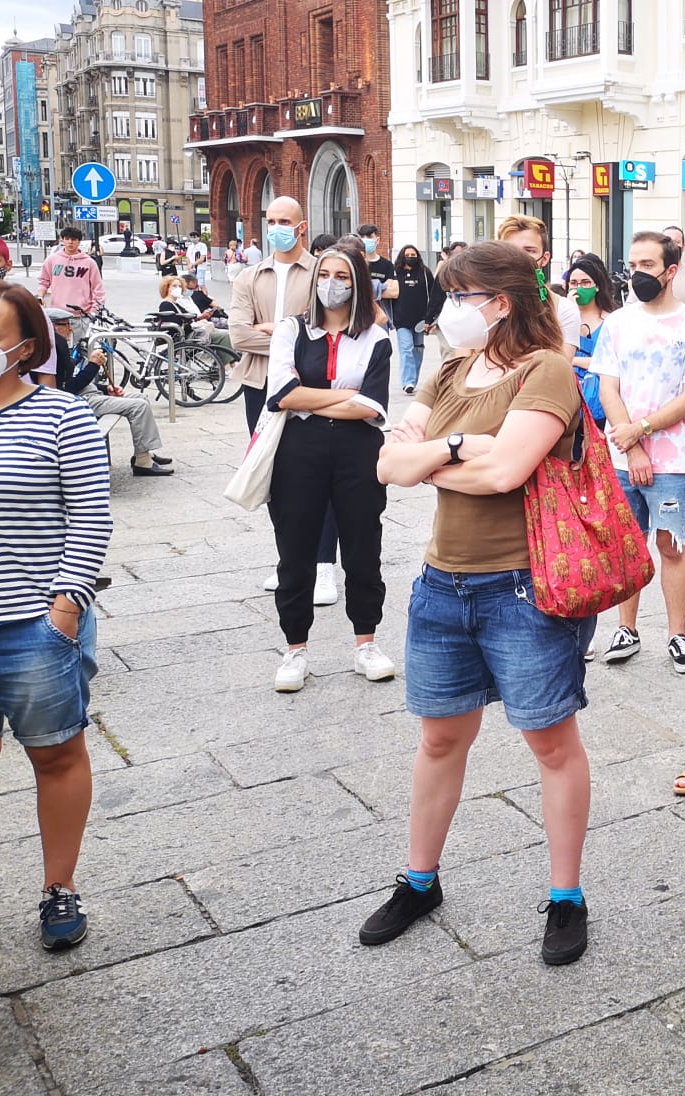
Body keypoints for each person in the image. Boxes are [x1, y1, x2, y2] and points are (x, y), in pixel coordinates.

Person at [364, 242, 598, 966]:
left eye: (459, 296)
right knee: (438, 739)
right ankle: (420, 879)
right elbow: (385, 465)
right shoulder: (452, 367)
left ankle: (566, 896)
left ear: (499, 302)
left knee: (550, 744)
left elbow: (506, 472)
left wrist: (437, 453)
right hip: (442, 583)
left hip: (525, 587)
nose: (446, 310)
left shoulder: (548, 369)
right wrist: (462, 447)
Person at [0, 280, 112, 951]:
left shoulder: (61, 418)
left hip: (30, 631)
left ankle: (58, 888)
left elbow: (89, 517)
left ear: (23, 349)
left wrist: (65, 608)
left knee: (56, 758)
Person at [264, 247, 396, 693]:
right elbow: (282, 392)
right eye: (325, 273)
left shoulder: (376, 338)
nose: (332, 282)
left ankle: (366, 643)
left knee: (363, 547)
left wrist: (312, 395)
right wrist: (345, 399)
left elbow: (375, 405)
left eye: (342, 275)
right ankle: (295, 649)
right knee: (295, 549)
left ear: (358, 282)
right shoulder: (291, 330)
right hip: (299, 450)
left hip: (358, 452)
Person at [588, 231, 685, 671]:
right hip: (624, 457)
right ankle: (626, 628)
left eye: (647, 265)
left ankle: (677, 635)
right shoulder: (619, 324)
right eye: (633, 264)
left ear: (671, 270)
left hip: (674, 462)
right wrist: (633, 444)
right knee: (628, 545)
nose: (637, 274)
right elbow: (608, 385)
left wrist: (641, 431)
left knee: (671, 544)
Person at [231, 197, 339, 603]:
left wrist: (277, 333)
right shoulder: (249, 276)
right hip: (259, 385)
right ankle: (290, 562)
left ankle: (324, 567)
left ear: (301, 226)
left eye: (284, 221)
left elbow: (327, 329)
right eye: (271, 220)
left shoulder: (320, 273)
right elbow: (239, 335)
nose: (277, 227)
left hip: (309, 385)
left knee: (317, 474)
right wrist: (288, 335)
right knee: (271, 475)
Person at [32, 310, 175, 477]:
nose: (71, 329)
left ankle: (144, 452)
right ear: (53, 327)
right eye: (66, 325)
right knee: (138, 406)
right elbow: (67, 388)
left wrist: (104, 388)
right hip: (77, 400)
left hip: (86, 393)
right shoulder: (53, 348)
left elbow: (73, 380)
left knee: (140, 397)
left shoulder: (60, 344)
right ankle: (142, 462)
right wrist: (93, 366)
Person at [495, 215, 575, 354]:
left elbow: (560, 366)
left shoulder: (564, 310)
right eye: (511, 249)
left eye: (529, 250)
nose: (519, 257)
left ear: (545, 259)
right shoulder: (480, 302)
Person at [565, 255, 616, 435]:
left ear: (597, 286)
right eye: (574, 283)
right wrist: (569, 313)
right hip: (567, 401)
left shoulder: (611, 322)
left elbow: (608, 363)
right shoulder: (561, 320)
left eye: (586, 282)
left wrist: (572, 360)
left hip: (599, 404)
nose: (579, 287)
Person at [387, 244, 444, 394]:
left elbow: (433, 296)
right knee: (406, 349)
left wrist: (430, 319)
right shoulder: (395, 273)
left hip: (420, 320)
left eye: (413, 255)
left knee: (417, 351)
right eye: (408, 255)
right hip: (401, 320)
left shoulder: (425, 273)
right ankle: (408, 381)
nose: (410, 258)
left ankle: (413, 379)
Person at [36, 227, 106, 316]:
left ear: (79, 241)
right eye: (67, 239)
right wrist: (40, 296)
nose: (70, 242)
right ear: (62, 240)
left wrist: (94, 311)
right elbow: (43, 281)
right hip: (58, 313)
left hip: (83, 314)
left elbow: (98, 289)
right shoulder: (52, 259)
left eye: (73, 239)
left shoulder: (89, 263)